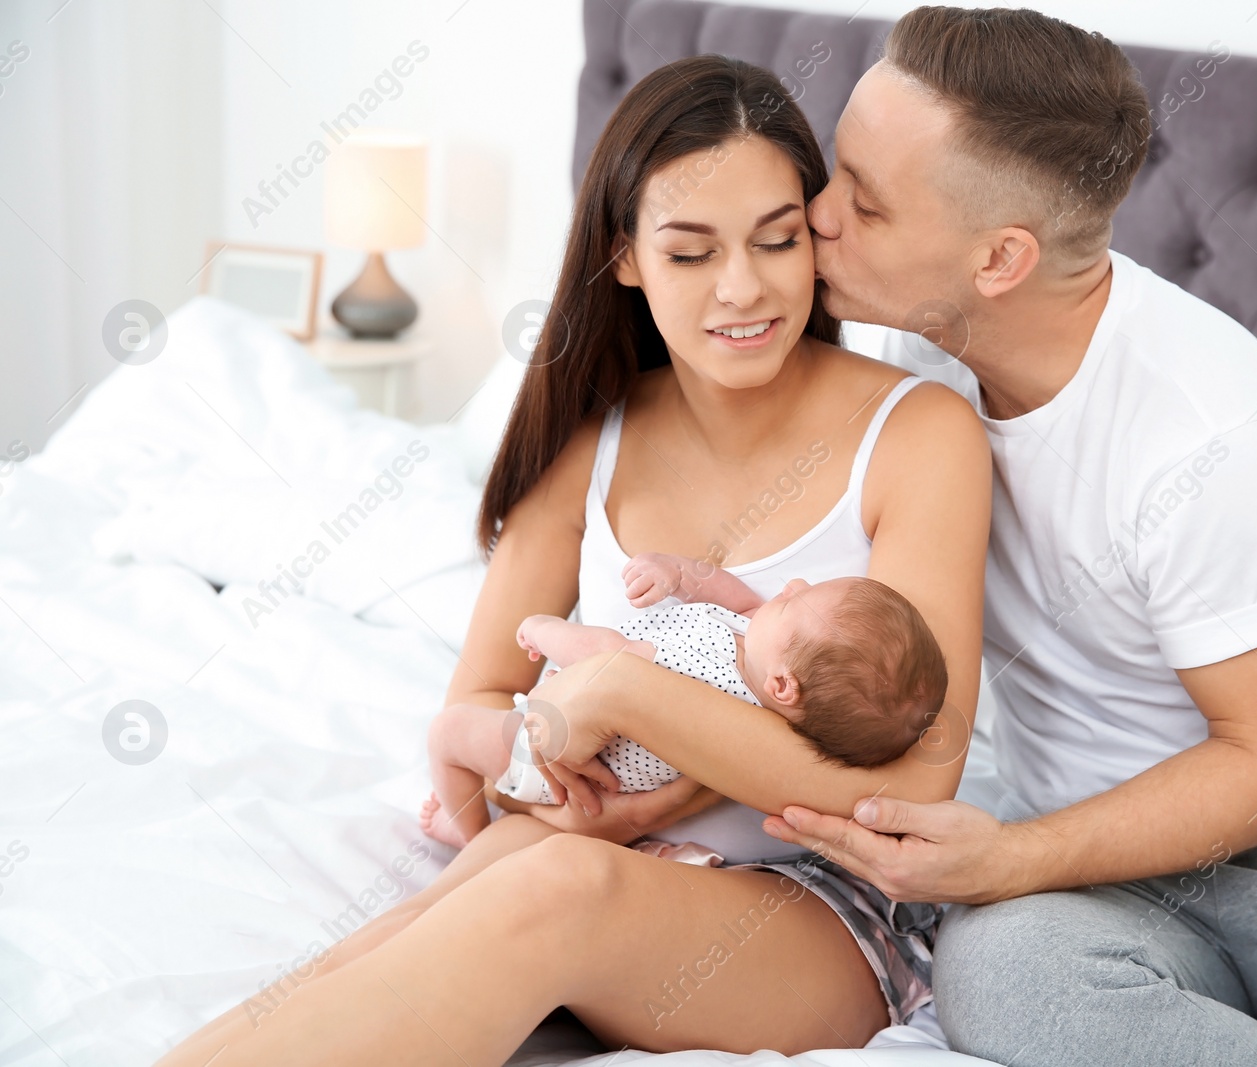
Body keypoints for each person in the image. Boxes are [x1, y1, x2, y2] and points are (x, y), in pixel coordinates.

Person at [155, 50, 990, 1067]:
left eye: (776, 240)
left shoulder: (917, 432)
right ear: (625, 257)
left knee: (552, 884)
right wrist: (558, 774)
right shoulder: (590, 434)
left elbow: (914, 772)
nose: (743, 288)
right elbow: (480, 721)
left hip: (814, 906)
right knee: (387, 939)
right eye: (690, 252)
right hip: (588, 855)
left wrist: (629, 695)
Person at [756, 7, 1257, 1066]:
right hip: (1092, 870)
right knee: (1007, 979)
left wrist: (1009, 857)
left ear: (1000, 258)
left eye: (866, 200)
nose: (818, 214)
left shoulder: (1209, 440)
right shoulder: (918, 354)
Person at [419, 564, 946, 848]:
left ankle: (464, 831)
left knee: (447, 734)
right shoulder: (762, 693)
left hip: (549, 753)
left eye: (789, 602)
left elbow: (605, 661)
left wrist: (545, 629)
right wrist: (681, 577)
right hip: (602, 771)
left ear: (786, 685)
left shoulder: (706, 665)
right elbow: (737, 601)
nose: (791, 584)